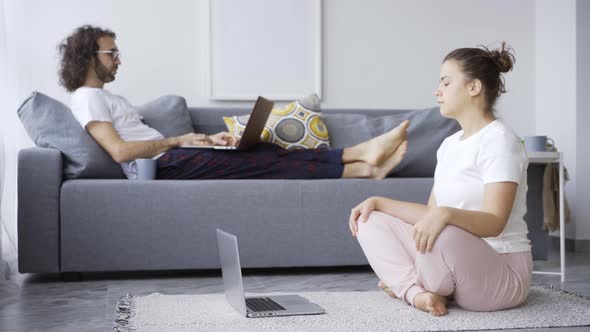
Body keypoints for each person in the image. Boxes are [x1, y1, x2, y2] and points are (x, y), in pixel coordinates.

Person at [58, 25, 409, 180]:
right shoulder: (87, 98)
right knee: (262, 159)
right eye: (112, 52)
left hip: (172, 157)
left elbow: (134, 139)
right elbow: (120, 152)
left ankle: (364, 167)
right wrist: (180, 140)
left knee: (266, 151)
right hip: (163, 167)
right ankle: (362, 154)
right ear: (90, 56)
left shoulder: (104, 96)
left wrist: (206, 140)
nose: (118, 59)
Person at [349, 43, 532, 316]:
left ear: (473, 88)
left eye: (446, 83)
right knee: (369, 219)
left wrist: (446, 215)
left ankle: (408, 283)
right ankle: (418, 293)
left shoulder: (500, 140)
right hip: (453, 261)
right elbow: (430, 217)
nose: (437, 91)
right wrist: (378, 202)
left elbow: (495, 222)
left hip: (501, 271)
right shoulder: (449, 145)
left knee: (442, 234)